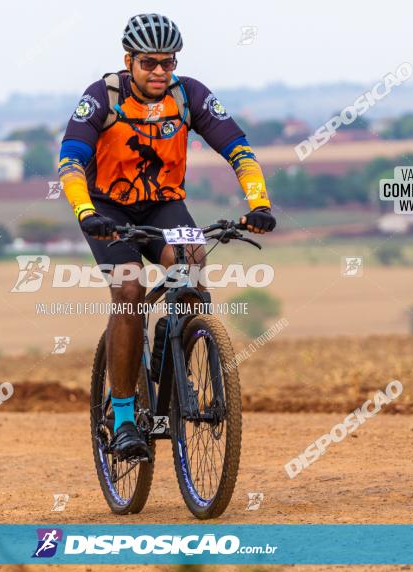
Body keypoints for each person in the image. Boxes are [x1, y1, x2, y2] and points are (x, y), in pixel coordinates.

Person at [58, 14, 276, 460]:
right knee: (130, 287)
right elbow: (71, 162)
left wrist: (259, 204)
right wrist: (85, 212)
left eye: (168, 62)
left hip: (162, 203)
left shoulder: (189, 93)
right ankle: (121, 418)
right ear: (128, 60)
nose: (160, 72)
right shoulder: (102, 97)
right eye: (149, 63)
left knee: (192, 260)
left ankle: (176, 341)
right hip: (107, 208)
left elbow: (240, 149)